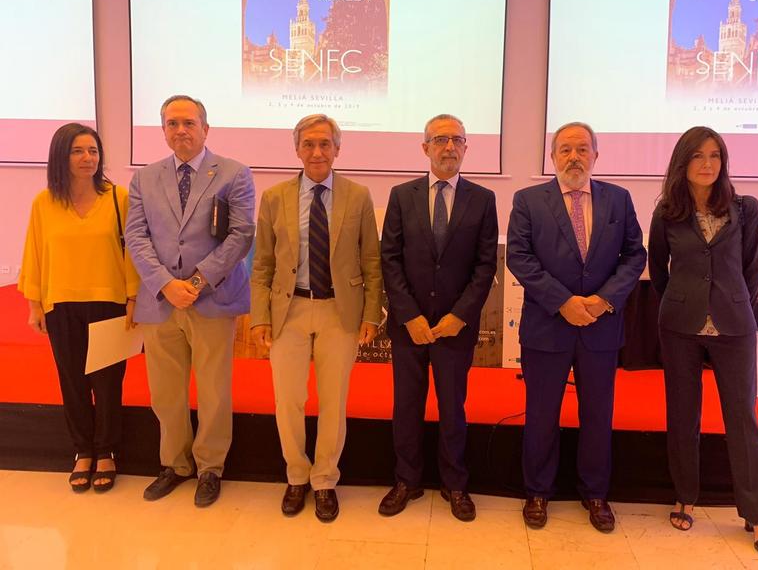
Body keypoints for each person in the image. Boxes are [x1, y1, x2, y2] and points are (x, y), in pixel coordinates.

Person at [506, 121, 646, 532]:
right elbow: (519, 257)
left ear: (595, 156)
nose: (574, 157)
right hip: (547, 326)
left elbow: (635, 256)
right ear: (552, 157)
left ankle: (596, 493)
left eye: (582, 149)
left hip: (600, 326)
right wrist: (563, 302)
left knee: (598, 414)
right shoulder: (528, 200)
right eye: (565, 149)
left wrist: (603, 300)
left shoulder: (618, 200)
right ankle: (537, 492)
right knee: (541, 414)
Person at [648, 126, 758, 558]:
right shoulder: (667, 211)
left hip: (733, 325)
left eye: (715, 155)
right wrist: (684, 300)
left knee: (742, 419)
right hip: (680, 326)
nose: (707, 164)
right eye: (698, 156)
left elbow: (753, 268)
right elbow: (659, 270)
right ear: (682, 162)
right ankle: (685, 497)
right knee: (683, 415)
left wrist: (732, 301)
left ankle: (756, 514)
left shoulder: (745, 208)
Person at [250, 114, 382, 522]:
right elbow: (262, 264)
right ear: (297, 149)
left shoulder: (358, 196)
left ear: (337, 149)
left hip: (339, 311)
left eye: (325, 144)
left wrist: (371, 315)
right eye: (308, 144)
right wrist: (259, 317)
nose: (317, 152)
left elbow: (371, 260)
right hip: (288, 310)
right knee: (288, 399)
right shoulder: (274, 197)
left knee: (332, 401)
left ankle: (324, 479)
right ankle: (296, 475)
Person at [125, 95, 255, 507]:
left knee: (214, 389)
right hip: (161, 301)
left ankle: (210, 467)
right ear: (163, 130)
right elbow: (136, 237)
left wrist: (196, 282)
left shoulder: (234, 173)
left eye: (188, 123)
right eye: (172, 123)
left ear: (205, 128)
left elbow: (241, 235)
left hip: (212, 298)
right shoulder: (144, 178)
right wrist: (166, 284)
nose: (180, 130)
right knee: (165, 392)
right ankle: (175, 464)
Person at [378, 114, 498, 522]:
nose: (449, 147)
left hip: (454, 328)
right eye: (441, 139)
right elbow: (390, 259)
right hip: (409, 327)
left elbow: (485, 265)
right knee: (406, 406)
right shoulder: (401, 195)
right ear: (425, 147)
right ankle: (406, 481)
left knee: (452, 407)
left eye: (457, 140)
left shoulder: (483, 199)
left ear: (466, 147)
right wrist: (409, 315)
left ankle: (455, 484)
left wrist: (460, 316)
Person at [19, 123, 139, 493]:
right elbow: (35, 254)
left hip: (108, 302)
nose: (88, 158)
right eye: (78, 151)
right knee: (71, 381)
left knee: (107, 383)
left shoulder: (118, 197)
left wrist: (133, 298)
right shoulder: (44, 203)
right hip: (61, 304)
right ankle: (82, 451)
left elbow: (132, 252)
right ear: (61, 156)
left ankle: (106, 451)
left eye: (93, 151)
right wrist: (35, 304)